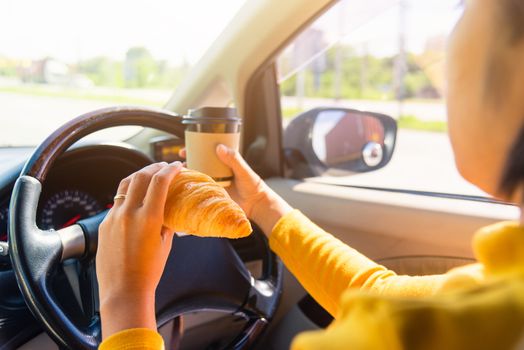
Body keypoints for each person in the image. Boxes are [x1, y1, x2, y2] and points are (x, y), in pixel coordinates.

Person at [97, 0, 524, 348]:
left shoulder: (397, 336)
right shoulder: (491, 303)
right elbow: (377, 293)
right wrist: (262, 205)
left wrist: (125, 303)